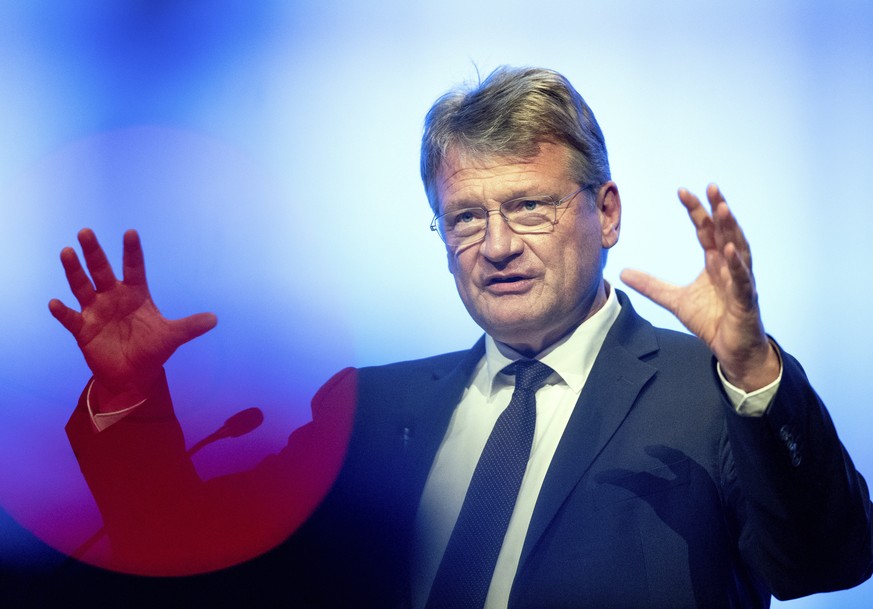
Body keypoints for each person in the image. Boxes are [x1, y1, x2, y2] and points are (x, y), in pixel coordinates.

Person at [49, 66, 872, 608]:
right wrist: (129, 396)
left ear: (607, 212)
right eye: (466, 216)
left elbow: (825, 563)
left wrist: (754, 368)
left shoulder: (711, 389)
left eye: (529, 205)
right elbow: (195, 546)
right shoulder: (367, 406)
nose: (498, 244)